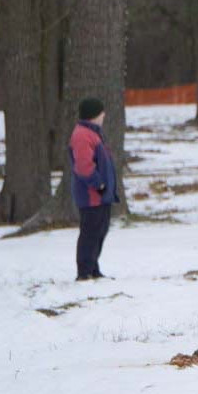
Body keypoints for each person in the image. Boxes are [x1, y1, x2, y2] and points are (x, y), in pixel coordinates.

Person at [70, 97, 118, 281]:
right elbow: (84, 166)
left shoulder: (93, 133)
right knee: (90, 232)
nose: (104, 115)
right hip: (91, 195)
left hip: (101, 195)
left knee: (100, 231)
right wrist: (99, 184)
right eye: (101, 112)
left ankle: (93, 268)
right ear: (93, 115)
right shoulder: (82, 135)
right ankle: (84, 272)